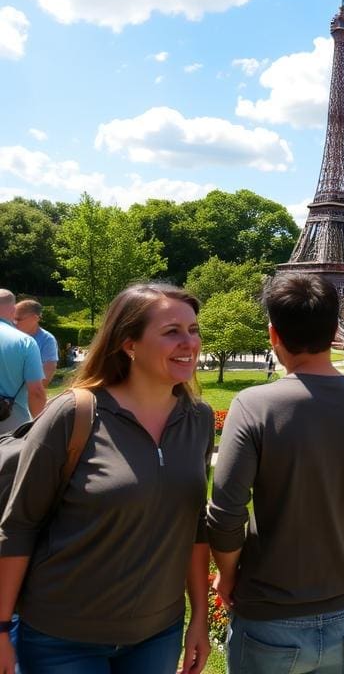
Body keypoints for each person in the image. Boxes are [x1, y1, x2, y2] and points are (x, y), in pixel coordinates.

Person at [0, 283, 213, 674]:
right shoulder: (74, 414)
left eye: (193, 330)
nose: (190, 343)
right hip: (62, 637)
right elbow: (18, 525)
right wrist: (0, 629)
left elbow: (195, 526)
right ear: (128, 344)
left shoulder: (197, 419)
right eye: (172, 332)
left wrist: (199, 615)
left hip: (157, 633)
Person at [208, 273, 344, 674]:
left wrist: (228, 575)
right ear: (336, 331)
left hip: (267, 619)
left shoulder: (253, 407)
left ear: (273, 334)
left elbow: (226, 515)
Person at [0, 289, 46, 430]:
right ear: (14, 310)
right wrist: (40, 428)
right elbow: (36, 392)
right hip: (11, 427)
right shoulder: (25, 342)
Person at [13, 300, 59, 387]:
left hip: (25, 397)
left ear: (35, 318)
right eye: (13, 319)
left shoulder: (47, 340)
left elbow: (47, 374)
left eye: (18, 319)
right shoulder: (9, 336)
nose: (14, 323)